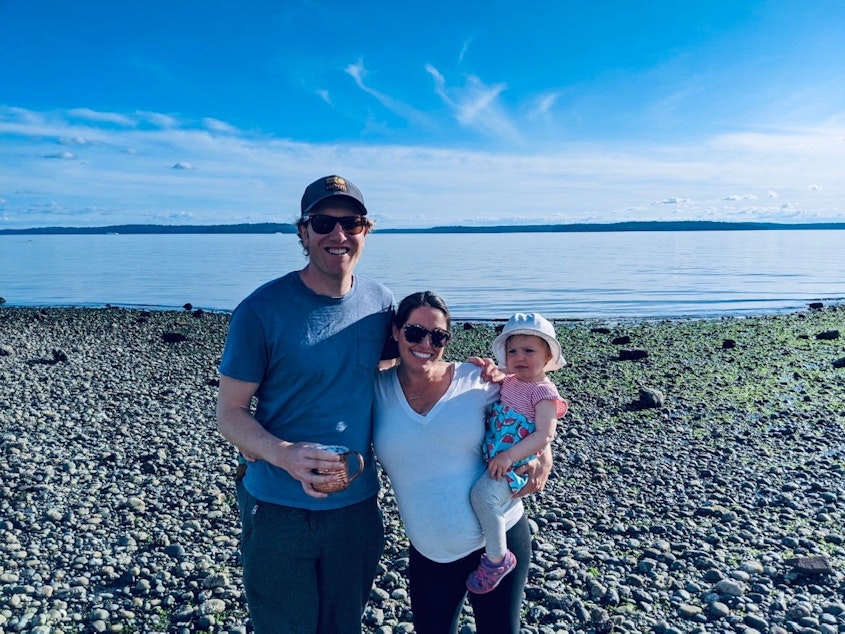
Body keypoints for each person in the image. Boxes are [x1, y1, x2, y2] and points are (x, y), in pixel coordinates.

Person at [216, 175, 395, 633]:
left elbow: (401, 382)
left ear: (366, 230)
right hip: (278, 508)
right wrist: (284, 455)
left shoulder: (381, 304)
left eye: (351, 222)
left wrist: (479, 377)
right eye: (323, 223)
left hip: (356, 508)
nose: (338, 235)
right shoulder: (261, 310)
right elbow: (230, 412)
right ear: (303, 232)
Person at [373, 291, 553, 634]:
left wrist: (545, 456)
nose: (426, 342)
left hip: (497, 543)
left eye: (438, 336)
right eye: (414, 332)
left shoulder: (476, 381)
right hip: (430, 553)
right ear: (395, 331)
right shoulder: (375, 391)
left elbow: (531, 412)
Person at [466, 312, 568, 594]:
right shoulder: (511, 380)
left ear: (548, 355)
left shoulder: (544, 391)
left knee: (483, 496)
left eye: (528, 350)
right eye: (512, 351)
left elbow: (545, 434)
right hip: (496, 456)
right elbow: (496, 376)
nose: (519, 357)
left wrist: (510, 456)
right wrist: (482, 368)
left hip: (515, 464)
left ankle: (497, 559)